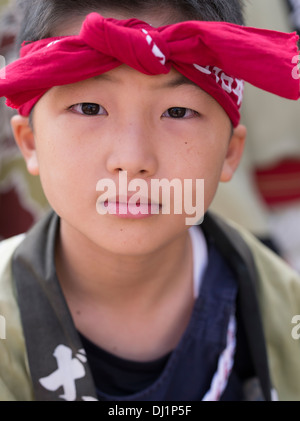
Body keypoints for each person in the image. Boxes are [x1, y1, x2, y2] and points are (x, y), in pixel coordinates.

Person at [0, 0, 300, 402]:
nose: (133, 159)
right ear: (30, 142)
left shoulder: (288, 313)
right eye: (90, 108)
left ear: (230, 151)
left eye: (178, 111)